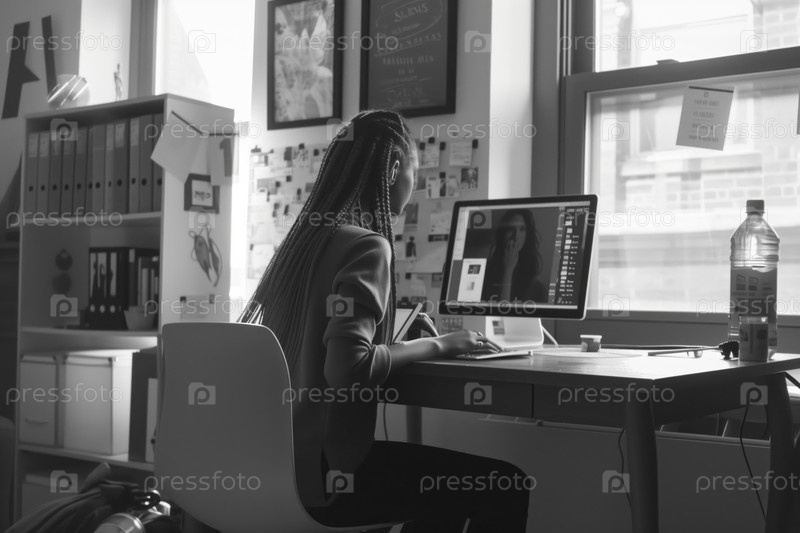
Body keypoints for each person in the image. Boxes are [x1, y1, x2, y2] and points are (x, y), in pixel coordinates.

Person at [240, 110, 530, 532]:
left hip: (275, 466)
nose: (414, 185)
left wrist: (393, 339)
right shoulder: (368, 246)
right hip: (328, 478)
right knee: (504, 484)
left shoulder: (297, 247)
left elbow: (317, 343)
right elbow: (346, 370)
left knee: (442, 494)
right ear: (395, 169)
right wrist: (440, 344)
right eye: (415, 172)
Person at [480, 209, 546, 303]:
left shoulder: (537, 288)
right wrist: (508, 270)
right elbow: (501, 309)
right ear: (503, 233)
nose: (516, 236)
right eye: (511, 229)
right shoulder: (485, 277)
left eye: (522, 229)